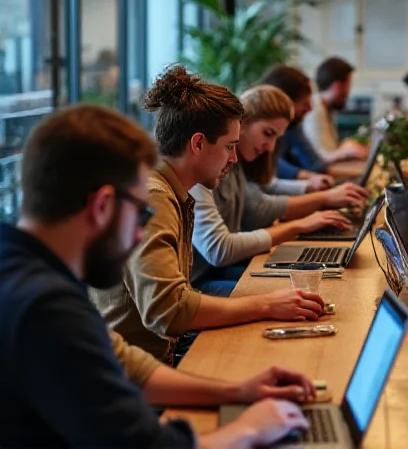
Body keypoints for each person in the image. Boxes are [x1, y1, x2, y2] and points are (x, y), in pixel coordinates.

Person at [0, 104, 312, 448]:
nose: (139, 235)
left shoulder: (24, 268)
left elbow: (125, 363)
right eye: (140, 212)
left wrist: (238, 392)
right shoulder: (46, 308)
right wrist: (249, 429)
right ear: (102, 205)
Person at [92, 66, 326, 364]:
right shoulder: (155, 196)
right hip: (147, 372)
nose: (234, 158)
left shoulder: (169, 189)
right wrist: (265, 305)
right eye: (229, 146)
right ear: (198, 143)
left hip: (159, 356)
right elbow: (168, 311)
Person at [191, 85, 367, 296]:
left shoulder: (232, 162)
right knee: (298, 293)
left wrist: (311, 191)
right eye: (268, 134)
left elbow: (261, 194)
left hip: (217, 272)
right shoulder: (201, 172)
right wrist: (299, 224)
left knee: (308, 288)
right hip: (200, 283)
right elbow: (220, 249)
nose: (271, 147)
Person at [258, 65, 336, 190]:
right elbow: (270, 164)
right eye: (304, 103)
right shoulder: (257, 129)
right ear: (283, 102)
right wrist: (306, 177)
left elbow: (316, 164)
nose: (310, 108)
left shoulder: (293, 126)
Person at [303, 57, 368, 164]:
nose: (348, 93)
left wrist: (348, 146)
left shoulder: (326, 108)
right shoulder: (315, 110)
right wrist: (346, 151)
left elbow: (331, 149)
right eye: (348, 86)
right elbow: (320, 156)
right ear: (337, 86)